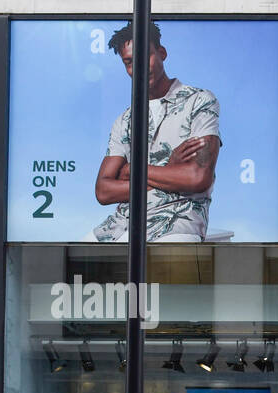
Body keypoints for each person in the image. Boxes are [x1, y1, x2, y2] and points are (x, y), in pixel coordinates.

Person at [91, 21, 221, 242]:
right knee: (73, 264)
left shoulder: (199, 101)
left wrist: (131, 170)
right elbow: (103, 191)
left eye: (145, 57)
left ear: (162, 53)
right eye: (130, 62)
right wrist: (169, 169)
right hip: (119, 227)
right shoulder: (125, 120)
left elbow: (198, 177)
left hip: (175, 223)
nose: (139, 67)